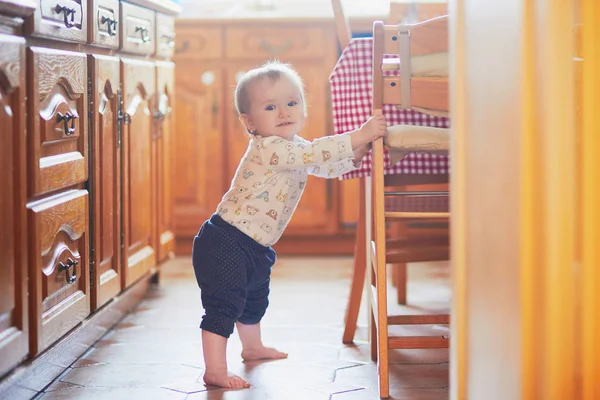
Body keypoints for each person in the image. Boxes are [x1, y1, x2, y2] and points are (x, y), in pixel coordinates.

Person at [191, 60, 387, 389]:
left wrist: (357, 153)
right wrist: (359, 135)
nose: (284, 111)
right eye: (271, 106)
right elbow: (316, 153)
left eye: (292, 102)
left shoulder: (293, 148)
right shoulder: (269, 149)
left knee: (254, 298)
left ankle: (252, 347)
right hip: (226, 240)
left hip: (254, 244)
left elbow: (323, 165)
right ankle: (214, 369)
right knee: (225, 305)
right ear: (250, 121)